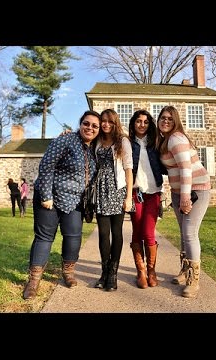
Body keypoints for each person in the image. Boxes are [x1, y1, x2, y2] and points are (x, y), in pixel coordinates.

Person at [22, 110, 101, 300]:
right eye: (86, 123)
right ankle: (33, 280)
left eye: (94, 126)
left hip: (74, 202)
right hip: (50, 198)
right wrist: (46, 196)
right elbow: (47, 165)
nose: (90, 128)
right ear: (80, 124)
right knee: (44, 238)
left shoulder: (93, 149)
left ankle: (68, 272)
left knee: (73, 236)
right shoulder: (65, 140)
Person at [156, 105, 211, 298]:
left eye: (170, 119)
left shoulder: (176, 138)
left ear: (176, 121)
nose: (165, 121)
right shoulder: (164, 140)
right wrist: (178, 196)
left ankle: (193, 281)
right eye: (163, 117)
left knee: (189, 233)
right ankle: (184, 270)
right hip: (180, 192)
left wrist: (186, 197)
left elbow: (186, 169)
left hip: (197, 190)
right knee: (183, 233)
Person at [93, 109, 133, 291]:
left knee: (117, 233)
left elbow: (128, 170)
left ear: (115, 122)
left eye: (110, 121)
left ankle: (113, 274)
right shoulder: (98, 140)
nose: (106, 124)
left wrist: (128, 197)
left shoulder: (122, 141)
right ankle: (104, 271)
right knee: (103, 233)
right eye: (103, 121)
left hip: (117, 190)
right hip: (100, 190)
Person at [127, 109, 166, 289]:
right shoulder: (127, 143)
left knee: (149, 232)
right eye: (138, 121)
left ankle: (151, 270)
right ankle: (140, 271)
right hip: (136, 193)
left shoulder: (156, 143)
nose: (142, 124)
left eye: (145, 122)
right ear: (133, 124)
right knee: (137, 231)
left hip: (154, 193)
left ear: (149, 124)